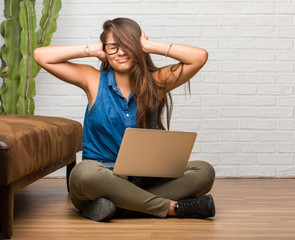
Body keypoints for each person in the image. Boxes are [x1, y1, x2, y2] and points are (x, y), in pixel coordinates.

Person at [33, 17, 215, 222]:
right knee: (84, 173)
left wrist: (148, 45)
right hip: (101, 177)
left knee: (204, 171)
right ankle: (172, 208)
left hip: (144, 179)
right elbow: (41, 56)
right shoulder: (93, 80)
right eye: (113, 46)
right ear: (105, 50)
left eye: (127, 45)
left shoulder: (157, 82)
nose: (120, 52)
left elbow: (199, 57)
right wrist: (93, 49)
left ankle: (120, 206)